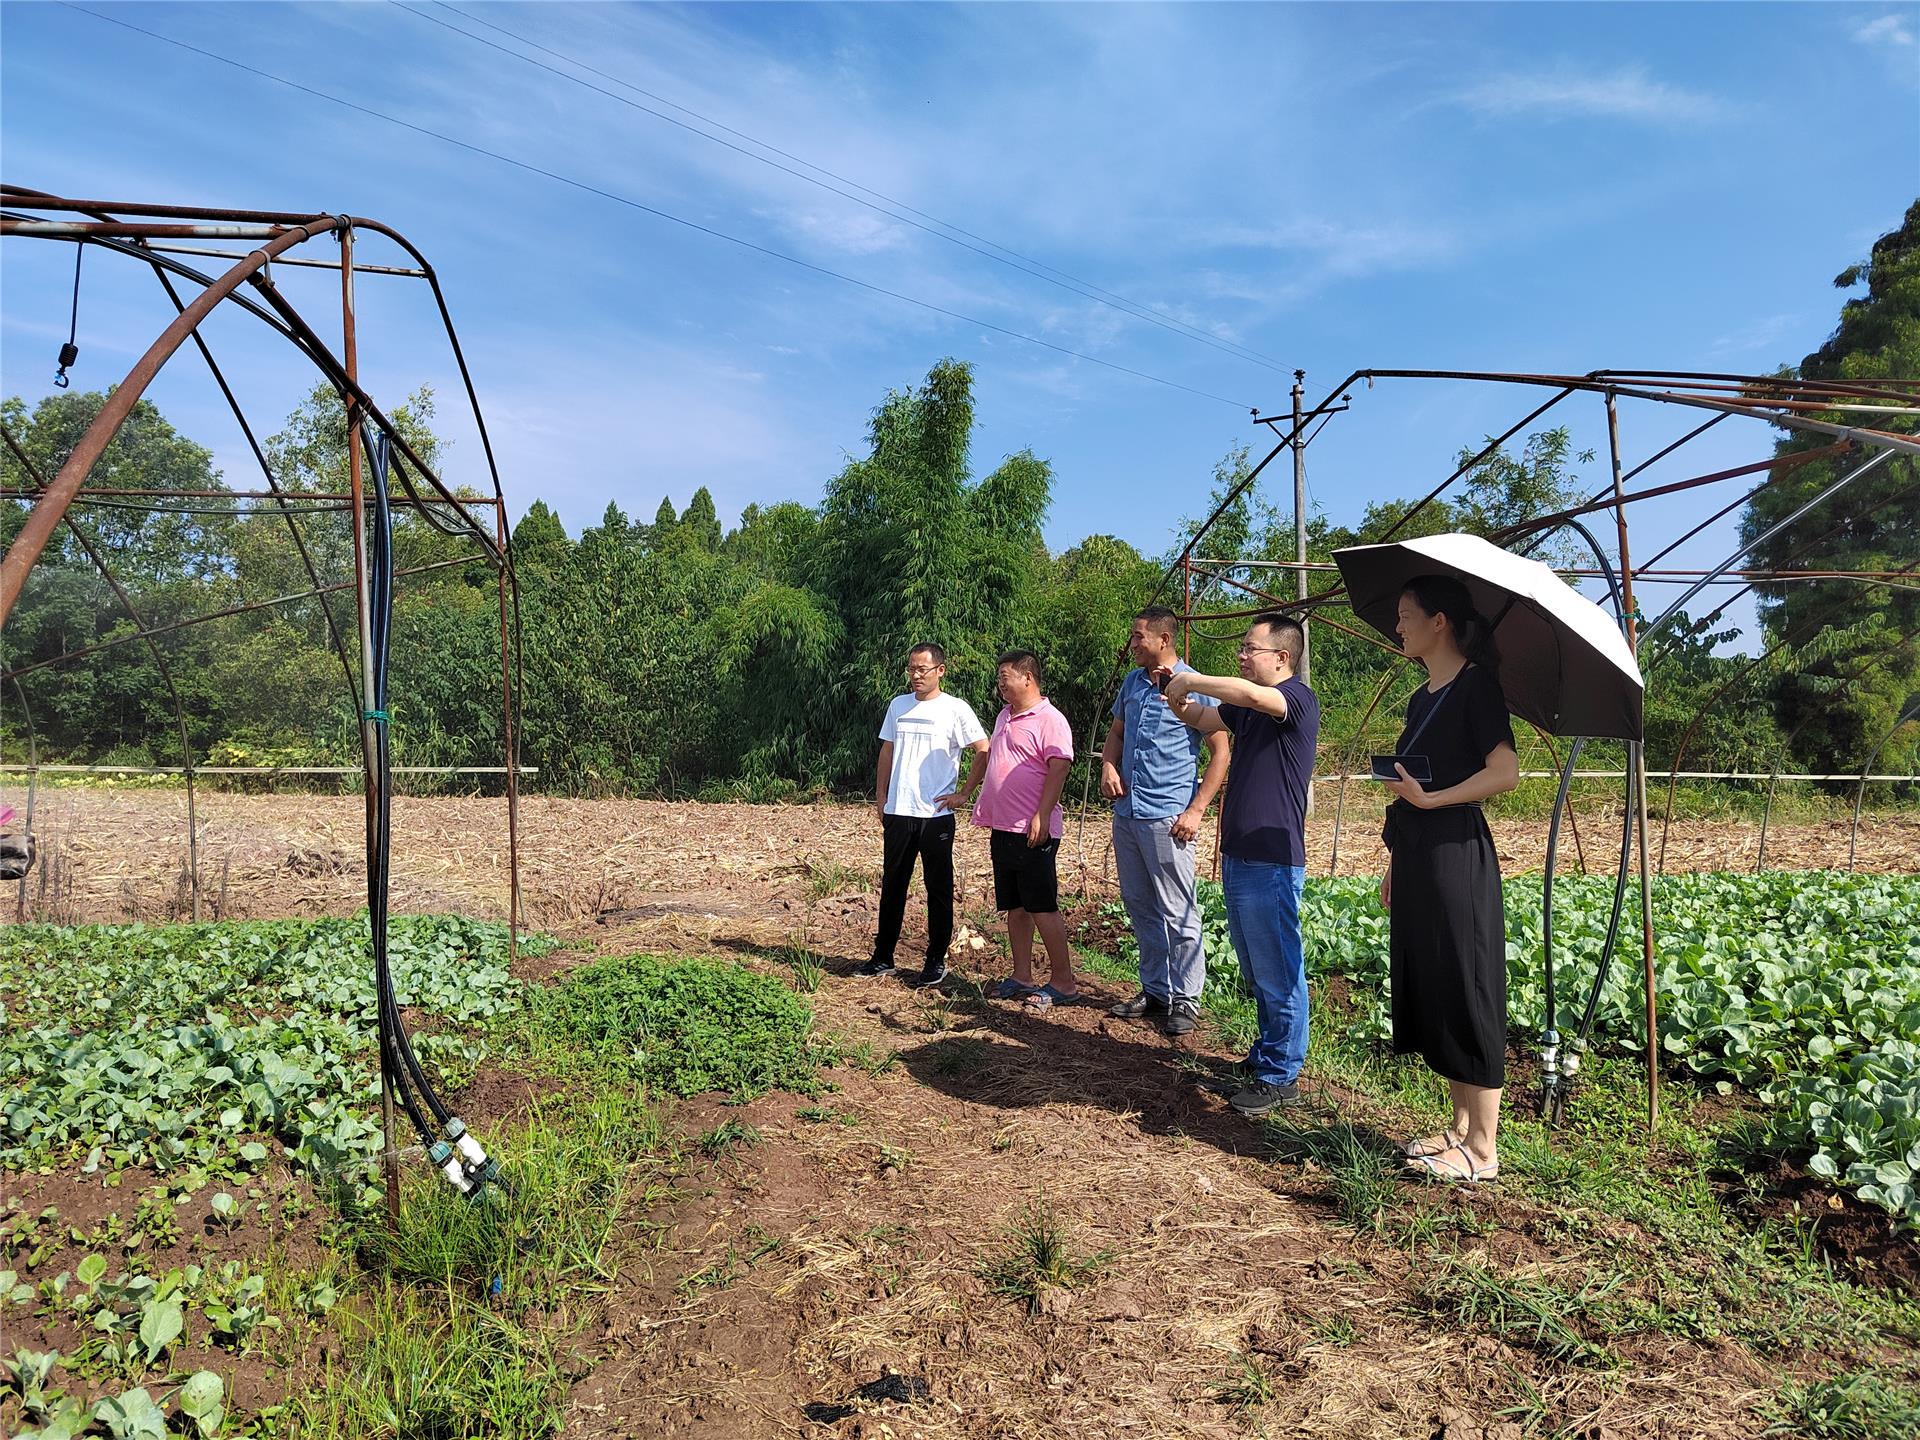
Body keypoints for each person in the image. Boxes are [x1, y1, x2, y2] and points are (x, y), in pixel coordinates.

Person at [1378, 576, 1519, 1184]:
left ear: (1440, 622)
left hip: (1458, 848)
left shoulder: (1476, 688)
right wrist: (1394, 859)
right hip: (1419, 853)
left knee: (1467, 981)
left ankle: (1484, 1149)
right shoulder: (1420, 697)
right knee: (1437, 980)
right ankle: (1460, 1128)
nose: (1399, 626)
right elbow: (1417, 788)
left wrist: (1435, 801)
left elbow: (1506, 772)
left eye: (1407, 615)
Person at [1162, 612, 1319, 1115]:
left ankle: (1281, 1076)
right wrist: (1181, 702)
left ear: (1282, 657)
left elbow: (1250, 696)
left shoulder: (1294, 700)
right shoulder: (1250, 710)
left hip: (1272, 859)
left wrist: (1192, 677)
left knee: (1279, 968)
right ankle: (1267, 1055)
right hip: (1240, 853)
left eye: (1251, 648)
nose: (1242, 655)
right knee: (1257, 965)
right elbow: (1210, 719)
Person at [1100, 607, 1230, 1037]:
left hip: (1167, 816)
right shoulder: (1133, 683)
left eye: (1139, 637)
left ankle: (1187, 999)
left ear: (1163, 640)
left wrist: (1196, 810)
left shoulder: (1194, 686)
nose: (1133, 644)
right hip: (1128, 811)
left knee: (1178, 910)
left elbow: (1220, 751)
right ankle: (1156, 990)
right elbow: (1117, 733)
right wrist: (1108, 765)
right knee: (1140, 906)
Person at [862, 643, 989, 988]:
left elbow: (983, 749)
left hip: (936, 814)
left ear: (941, 671)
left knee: (938, 888)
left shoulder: (955, 709)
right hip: (899, 811)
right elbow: (887, 749)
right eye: (912, 669)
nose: (917, 675)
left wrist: (964, 793)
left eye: (924, 669)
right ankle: (883, 956)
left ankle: (935, 960)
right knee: (893, 885)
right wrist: (881, 793)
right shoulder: (898, 706)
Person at [971, 650, 1080, 1009]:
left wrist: (1042, 815)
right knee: (1016, 907)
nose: (1000, 682)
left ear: (1028, 678)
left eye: (1006, 676)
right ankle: (1022, 976)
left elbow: (1059, 767)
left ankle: (1063, 982)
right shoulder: (1005, 715)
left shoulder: (1050, 719)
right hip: (1003, 827)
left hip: (1033, 829)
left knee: (1041, 905)